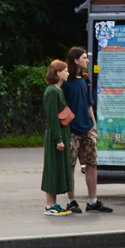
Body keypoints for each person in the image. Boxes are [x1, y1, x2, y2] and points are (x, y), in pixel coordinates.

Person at [63, 47, 111, 213]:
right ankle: (71, 201)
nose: (87, 60)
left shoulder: (85, 79)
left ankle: (92, 201)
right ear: (76, 60)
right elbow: (61, 106)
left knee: (91, 164)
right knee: (70, 165)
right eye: (84, 58)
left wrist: (94, 124)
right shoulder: (65, 82)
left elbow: (89, 103)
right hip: (71, 130)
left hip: (87, 128)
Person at [42, 60, 74, 215]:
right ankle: (49, 205)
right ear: (57, 73)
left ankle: (53, 204)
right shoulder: (52, 91)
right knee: (52, 169)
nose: (68, 73)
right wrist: (59, 139)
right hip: (56, 136)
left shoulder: (57, 90)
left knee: (57, 168)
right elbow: (53, 118)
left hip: (61, 134)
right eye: (65, 70)